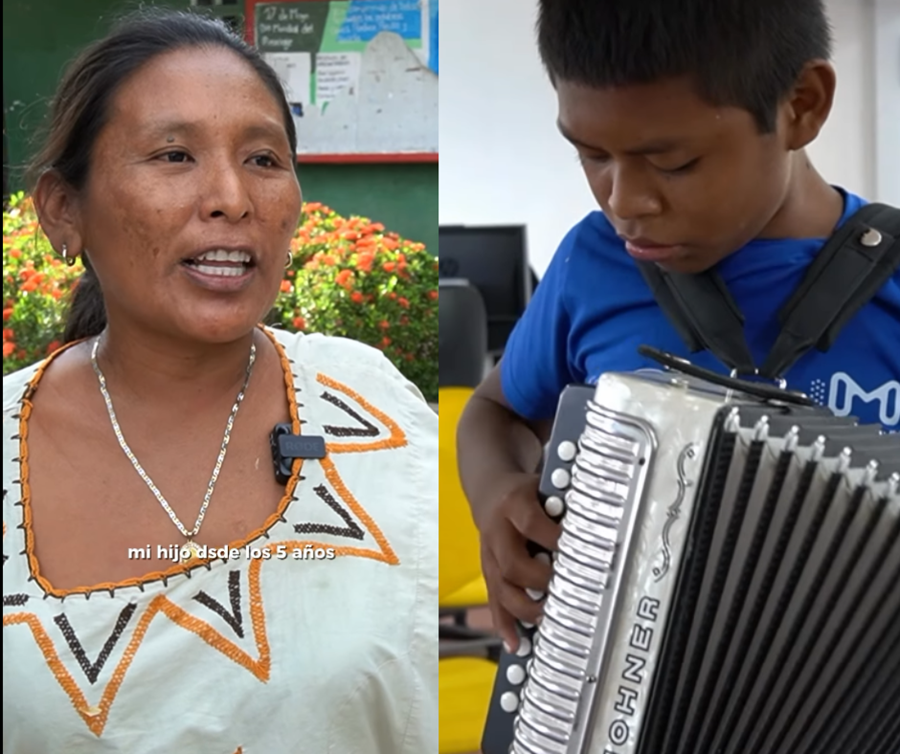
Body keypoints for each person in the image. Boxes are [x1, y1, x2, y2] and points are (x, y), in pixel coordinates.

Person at [2, 9, 437, 752]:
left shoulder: (372, 403)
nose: (233, 197)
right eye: (174, 155)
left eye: (263, 159)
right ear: (64, 210)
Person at [457, 0, 900, 651]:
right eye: (590, 155)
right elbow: (495, 411)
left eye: (673, 163)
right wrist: (496, 491)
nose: (624, 202)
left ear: (801, 105)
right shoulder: (593, 264)